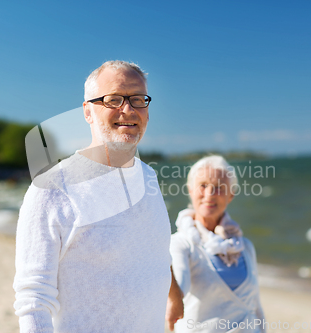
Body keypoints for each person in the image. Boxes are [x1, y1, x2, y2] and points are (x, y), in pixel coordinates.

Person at [13, 60, 183, 333]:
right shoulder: (52, 188)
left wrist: (174, 296)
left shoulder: (149, 177)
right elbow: (33, 299)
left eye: (138, 100)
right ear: (88, 111)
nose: (127, 110)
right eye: (113, 99)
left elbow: (156, 251)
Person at [169, 155, 266, 333]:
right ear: (190, 190)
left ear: (231, 195)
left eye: (220, 188)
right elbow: (180, 287)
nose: (210, 194)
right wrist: (172, 297)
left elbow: (255, 306)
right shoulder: (181, 243)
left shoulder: (244, 247)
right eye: (203, 185)